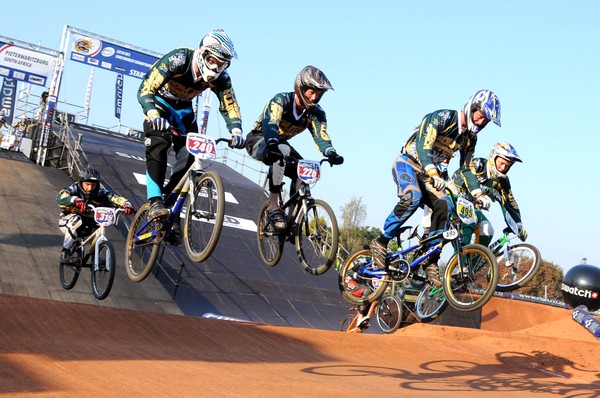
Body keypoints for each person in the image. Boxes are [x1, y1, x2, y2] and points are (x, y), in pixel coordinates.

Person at [369, 89, 501, 289]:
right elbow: (423, 145)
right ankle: (381, 242)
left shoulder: (470, 139)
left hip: (430, 176)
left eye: (486, 121)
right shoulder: (443, 117)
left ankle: (429, 259)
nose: (482, 122)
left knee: (446, 206)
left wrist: (478, 194)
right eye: (481, 116)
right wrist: (433, 172)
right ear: (472, 107)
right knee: (413, 197)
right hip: (409, 164)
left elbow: (466, 168)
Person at [137, 29, 245, 224]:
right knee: (159, 143)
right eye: (212, 60)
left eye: (222, 64)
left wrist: (236, 130)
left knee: (192, 157)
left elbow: (229, 104)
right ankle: (155, 202)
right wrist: (152, 112)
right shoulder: (179, 59)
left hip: (184, 111)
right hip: (160, 104)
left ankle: (170, 210)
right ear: (203, 53)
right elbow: (146, 87)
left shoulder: (222, 78)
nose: (216, 68)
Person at [245, 65, 344, 230]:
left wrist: (331, 153)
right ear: (300, 89)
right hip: (259, 138)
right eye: (311, 92)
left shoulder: (316, 113)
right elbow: (271, 124)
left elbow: (321, 136)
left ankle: (291, 221)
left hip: (281, 143)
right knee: (281, 151)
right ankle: (273, 206)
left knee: (304, 170)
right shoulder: (281, 101)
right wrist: (272, 143)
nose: (314, 98)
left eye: (318, 95)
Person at [448, 141, 527, 247]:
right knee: (469, 222)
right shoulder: (479, 165)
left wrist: (518, 225)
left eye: (508, 166)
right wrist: (482, 190)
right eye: (501, 163)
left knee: (488, 230)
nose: (503, 168)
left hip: (470, 206)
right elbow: (459, 178)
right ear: (493, 157)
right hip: (453, 198)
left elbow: (510, 202)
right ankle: (460, 261)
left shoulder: (503, 181)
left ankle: (472, 262)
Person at [56, 166, 134, 264]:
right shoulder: (73, 188)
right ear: (81, 182)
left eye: (93, 185)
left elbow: (114, 198)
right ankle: (65, 251)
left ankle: (95, 255)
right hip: (67, 221)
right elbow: (60, 197)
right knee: (77, 219)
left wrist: (126, 205)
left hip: (88, 223)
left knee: (100, 226)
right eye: (87, 184)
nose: (90, 188)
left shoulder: (100, 192)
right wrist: (75, 200)